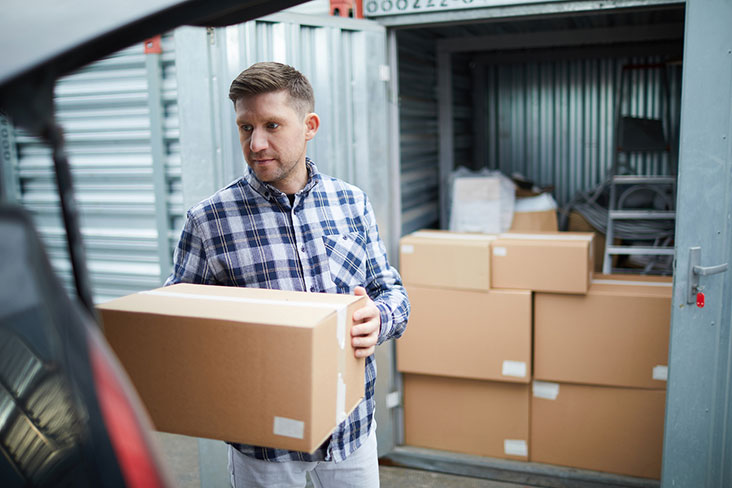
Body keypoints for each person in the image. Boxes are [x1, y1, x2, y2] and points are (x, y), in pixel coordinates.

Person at [165, 61, 410, 488]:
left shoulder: (352, 203)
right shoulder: (208, 221)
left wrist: (380, 318)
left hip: (350, 433)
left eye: (272, 125)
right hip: (264, 449)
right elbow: (177, 327)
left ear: (309, 125)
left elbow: (391, 293)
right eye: (245, 128)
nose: (256, 142)